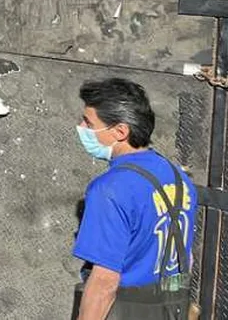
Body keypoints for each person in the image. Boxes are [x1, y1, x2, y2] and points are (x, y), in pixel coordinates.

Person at [73, 78, 196, 320]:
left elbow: (105, 282)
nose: (81, 127)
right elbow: (186, 258)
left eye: (89, 122)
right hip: (170, 309)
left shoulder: (110, 188)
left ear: (120, 131)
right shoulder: (179, 178)